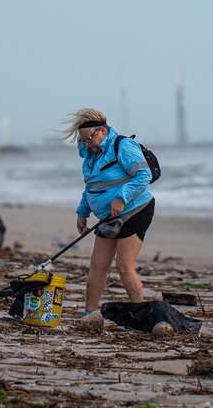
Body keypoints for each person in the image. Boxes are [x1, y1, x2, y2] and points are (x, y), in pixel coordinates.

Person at [63, 108, 155, 321]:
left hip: (135, 210)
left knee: (123, 266)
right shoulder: (90, 155)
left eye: (90, 139)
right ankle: (89, 315)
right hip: (108, 216)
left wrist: (122, 198)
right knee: (97, 265)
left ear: (102, 130)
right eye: (83, 141)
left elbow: (143, 175)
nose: (87, 145)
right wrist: (82, 211)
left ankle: (140, 316)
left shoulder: (123, 146)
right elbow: (92, 186)